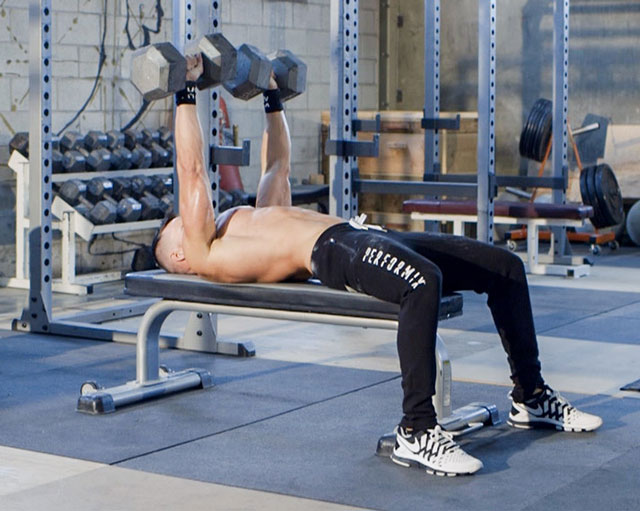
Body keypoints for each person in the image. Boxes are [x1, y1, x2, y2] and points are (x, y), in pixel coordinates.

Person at [152, 54, 602, 477]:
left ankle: (531, 396)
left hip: (363, 233)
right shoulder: (205, 251)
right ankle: (417, 430)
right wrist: (186, 92)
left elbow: (278, 167)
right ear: (178, 256)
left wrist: (272, 97)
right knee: (422, 282)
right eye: (177, 229)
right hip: (334, 251)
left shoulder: (244, 221)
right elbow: (192, 172)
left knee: (504, 267)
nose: (184, 222)